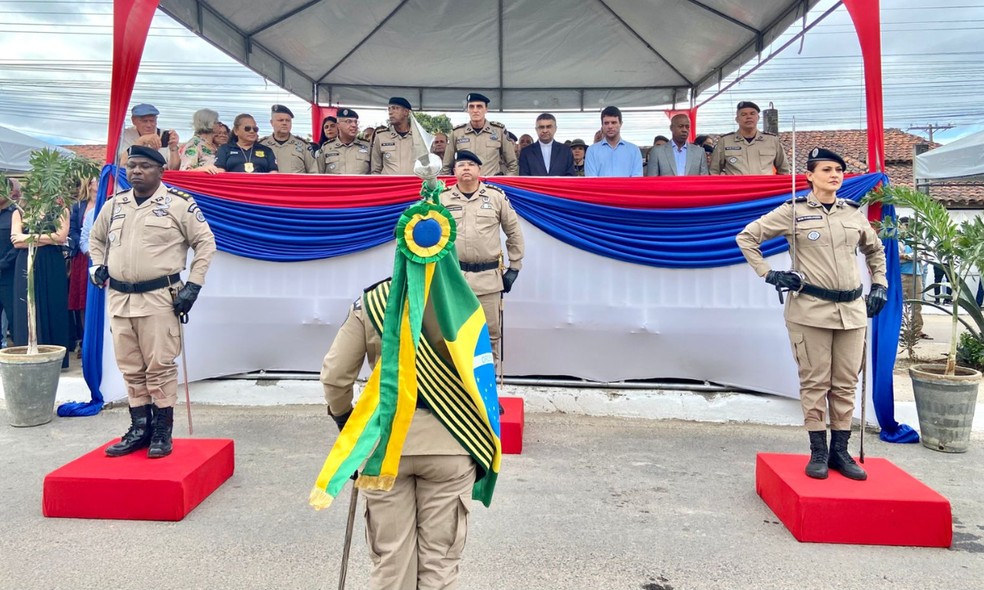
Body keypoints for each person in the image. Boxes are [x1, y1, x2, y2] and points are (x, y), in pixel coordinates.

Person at [321, 275, 492, 589]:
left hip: (386, 448)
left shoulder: (371, 302)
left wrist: (347, 425)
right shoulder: (463, 301)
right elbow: (482, 374)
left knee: (392, 565)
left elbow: (334, 377)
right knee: (439, 566)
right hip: (450, 442)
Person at [736, 148, 888, 481]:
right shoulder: (794, 211)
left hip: (851, 310)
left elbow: (875, 250)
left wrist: (879, 285)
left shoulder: (852, 213)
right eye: (827, 169)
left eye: (839, 170)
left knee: (847, 383)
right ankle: (818, 450)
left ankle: (840, 451)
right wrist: (769, 273)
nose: (835, 175)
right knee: (815, 382)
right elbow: (747, 237)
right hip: (810, 311)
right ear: (810, 175)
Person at [89, 145, 216, 459]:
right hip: (120, 299)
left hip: (160, 298)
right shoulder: (114, 205)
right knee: (131, 368)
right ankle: (139, 428)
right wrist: (96, 265)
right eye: (131, 166)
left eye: (144, 166)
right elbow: (95, 238)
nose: (135, 172)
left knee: (159, 367)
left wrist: (194, 286)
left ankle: (162, 431)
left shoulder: (178, 204)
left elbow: (205, 243)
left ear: (160, 171)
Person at [439, 150, 524, 368]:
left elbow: (513, 232)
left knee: (490, 335)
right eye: (461, 165)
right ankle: (457, 387)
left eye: (470, 164)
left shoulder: (495, 197)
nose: (466, 168)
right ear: (454, 172)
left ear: (479, 170)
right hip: (454, 280)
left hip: (488, 280)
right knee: (452, 334)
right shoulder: (442, 198)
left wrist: (514, 267)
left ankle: (488, 391)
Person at [10, 183, 71, 368]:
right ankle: (29, 353)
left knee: (54, 303)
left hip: (52, 263)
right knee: (26, 305)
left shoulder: (62, 210)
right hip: (26, 261)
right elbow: (16, 241)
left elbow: (61, 237)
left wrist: (28, 238)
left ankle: (55, 358)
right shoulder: (19, 212)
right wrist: (47, 238)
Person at [441, 93, 519, 176]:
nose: (475, 110)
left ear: (486, 109)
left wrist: (505, 184)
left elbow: (512, 164)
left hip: (492, 184)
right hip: (466, 185)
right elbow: (446, 167)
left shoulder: (499, 131)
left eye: (479, 106)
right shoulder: (457, 133)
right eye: (471, 107)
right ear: (467, 110)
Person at [711, 101, 790, 175]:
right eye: (743, 114)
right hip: (736, 189)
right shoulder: (725, 141)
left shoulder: (772, 141)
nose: (748, 117)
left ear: (758, 117)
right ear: (737, 119)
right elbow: (714, 171)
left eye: (752, 113)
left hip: (765, 189)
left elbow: (784, 170)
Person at [67, 176, 98, 353]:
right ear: (89, 184)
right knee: (82, 300)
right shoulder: (78, 206)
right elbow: (73, 230)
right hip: (82, 257)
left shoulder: (108, 202)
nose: (98, 183)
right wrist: (84, 247)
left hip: (102, 256)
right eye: (95, 180)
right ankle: (84, 338)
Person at [118, 103, 180, 170]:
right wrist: (140, 141)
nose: (149, 125)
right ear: (134, 121)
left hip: (158, 176)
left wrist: (173, 148)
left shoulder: (164, 135)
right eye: (144, 121)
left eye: (152, 121)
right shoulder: (126, 135)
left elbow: (174, 169)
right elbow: (122, 163)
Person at [585, 106, 643, 177]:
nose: (610, 126)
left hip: (627, 188)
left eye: (613, 122)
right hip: (599, 188)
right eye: (606, 123)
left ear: (621, 124)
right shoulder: (592, 151)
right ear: (602, 125)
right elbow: (591, 180)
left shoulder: (634, 150)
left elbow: (636, 180)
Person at [259, 104, 317, 174]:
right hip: (270, 184)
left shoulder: (303, 146)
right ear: (272, 122)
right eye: (280, 120)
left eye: (288, 120)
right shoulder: (261, 145)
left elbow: (314, 173)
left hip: (296, 184)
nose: (284, 123)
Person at [898, 217, 930, 339]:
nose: (907, 227)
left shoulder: (917, 240)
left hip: (916, 274)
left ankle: (917, 330)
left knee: (917, 304)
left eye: (909, 225)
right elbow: (896, 256)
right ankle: (899, 330)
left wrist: (914, 256)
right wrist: (907, 256)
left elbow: (923, 255)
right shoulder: (899, 240)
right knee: (899, 303)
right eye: (905, 225)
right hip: (902, 274)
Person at [370, 97, 419, 175]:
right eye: (389, 109)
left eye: (395, 108)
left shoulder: (419, 137)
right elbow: (376, 170)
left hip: (413, 185)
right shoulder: (381, 137)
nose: (390, 112)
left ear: (406, 112)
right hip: (389, 186)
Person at [317, 108, 371, 174]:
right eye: (349, 121)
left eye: (356, 122)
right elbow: (318, 175)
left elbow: (375, 174)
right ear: (338, 125)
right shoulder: (326, 148)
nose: (354, 125)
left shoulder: (367, 147)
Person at [0, 179, 19, 347]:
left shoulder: (16, 214)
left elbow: (18, 245)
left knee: (14, 317)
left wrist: (3, 264)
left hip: (9, 274)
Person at [179, 108, 221, 173]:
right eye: (217, 122)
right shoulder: (194, 144)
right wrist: (202, 169)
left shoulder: (215, 145)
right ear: (210, 124)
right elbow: (185, 171)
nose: (220, 125)